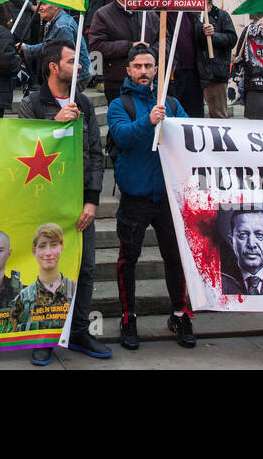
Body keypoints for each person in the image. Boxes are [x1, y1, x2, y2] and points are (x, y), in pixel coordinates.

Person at [13, 39, 109, 361]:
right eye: (71, 61)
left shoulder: (84, 103)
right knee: (43, 268)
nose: (79, 65)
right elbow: (20, 148)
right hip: (45, 203)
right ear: (54, 67)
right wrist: (54, 127)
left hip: (79, 202)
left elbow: (96, 153)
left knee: (86, 269)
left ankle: (79, 331)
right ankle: (43, 335)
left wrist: (92, 201)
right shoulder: (32, 104)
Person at [104, 44, 193, 349]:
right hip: (135, 197)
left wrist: (172, 122)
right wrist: (149, 121)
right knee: (128, 259)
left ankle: (180, 314)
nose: (143, 71)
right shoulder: (120, 105)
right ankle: (128, 317)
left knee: (175, 258)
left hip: (167, 196)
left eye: (149, 66)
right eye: (138, 66)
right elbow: (122, 136)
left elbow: (189, 137)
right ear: (128, 70)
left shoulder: (171, 102)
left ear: (157, 70)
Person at [8, 223, 77, 361]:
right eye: (42, 246)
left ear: (62, 247)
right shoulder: (24, 296)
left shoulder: (74, 289)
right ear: (34, 251)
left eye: (54, 245)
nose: (48, 252)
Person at [87, 0, 159, 105]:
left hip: (149, 82)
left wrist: (148, 53)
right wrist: (130, 47)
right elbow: (97, 47)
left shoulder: (149, 13)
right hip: (118, 82)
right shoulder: (103, 15)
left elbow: (164, 41)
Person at [20, 1, 90, 91]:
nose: (39, 7)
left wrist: (28, 49)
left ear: (56, 6)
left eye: (43, 4)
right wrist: (27, 48)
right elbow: (50, 45)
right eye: (37, 4)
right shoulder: (56, 21)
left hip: (73, 76)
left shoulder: (62, 26)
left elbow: (67, 57)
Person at [202, 0, 238, 117]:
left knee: (218, 114)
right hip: (197, 72)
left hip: (215, 74)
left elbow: (232, 39)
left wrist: (214, 36)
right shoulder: (193, 16)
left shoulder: (222, 16)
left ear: (207, 0)